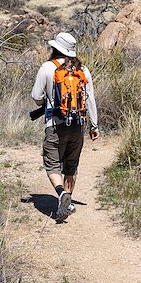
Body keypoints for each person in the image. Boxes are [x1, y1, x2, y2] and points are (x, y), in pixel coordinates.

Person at [31, 32, 99, 221]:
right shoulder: (83, 70)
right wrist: (94, 125)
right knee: (71, 165)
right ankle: (67, 203)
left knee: (52, 164)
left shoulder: (46, 68)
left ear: (55, 48)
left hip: (55, 125)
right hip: (78, 125)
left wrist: (47, 100)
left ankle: (61, 193)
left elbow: (36, 97)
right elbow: (90, 99)